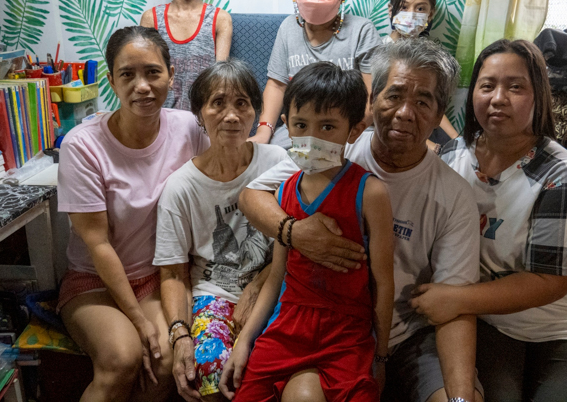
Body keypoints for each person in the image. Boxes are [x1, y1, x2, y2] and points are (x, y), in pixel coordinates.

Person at [239, 39, 484, 402]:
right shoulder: (327, 147)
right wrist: (295, 233)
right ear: (373, 101)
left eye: (422, 102)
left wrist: (460, 397)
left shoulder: (454, 195)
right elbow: (250, 197)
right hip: (318, 325)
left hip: (410, 334)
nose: (404, 112)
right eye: (394, 95)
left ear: (439, 114)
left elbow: (455, 305)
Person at [418, 39, 567, 401]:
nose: (498, 98)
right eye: (487, 85)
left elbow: (549, 282)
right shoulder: (452, 157)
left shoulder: (563, 175)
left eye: (515, 87)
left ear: (538, 96)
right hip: (493, 322)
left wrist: (456, 299)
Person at [219, 62, 394, 401]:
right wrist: (244, 343)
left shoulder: (371, 193)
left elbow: (383, 283)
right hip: (288, 325)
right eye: (301, 125)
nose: (312, 138)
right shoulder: (284, 191)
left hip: (348, 333)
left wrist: (381, 355)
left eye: (327, 126)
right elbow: (277, 277)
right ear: (287, 125)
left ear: (353, 131)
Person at [56, 26, 209, 401]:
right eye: (128, 74)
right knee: (122, 358)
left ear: (171, 76)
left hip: (159, 277)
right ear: (111, 81)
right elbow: (98, 244)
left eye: (153, 72)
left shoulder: (187, 127)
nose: (142, 85)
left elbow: (217, 180)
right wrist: (138, 320)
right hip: (95, 281)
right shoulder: (83, 145)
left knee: (164, 357)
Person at [153, 59, 288, 402]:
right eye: (217, 103)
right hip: (213, 294)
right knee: (210, 368)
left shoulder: (279, 164)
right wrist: (181, 335)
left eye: (242, 103)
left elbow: (296, 241)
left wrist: (259, 284)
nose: (231, 115)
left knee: (272, 365)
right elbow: (171, 272)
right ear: (199, 114)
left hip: (277, 284)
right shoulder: (180, 187)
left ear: (257, 112)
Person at [249, 0, 382, 148]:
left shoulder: (362, 30)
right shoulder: (287, 29)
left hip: (351, 132)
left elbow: (373, 96)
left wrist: (345, 134)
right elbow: (277, 85)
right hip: (299, 129)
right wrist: (264, 131)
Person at [141, 0, 232, 111]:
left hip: (203, 117)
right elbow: (145, 76)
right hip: (160, 118)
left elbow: (220, 80)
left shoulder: (220, 19)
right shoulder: (151, 19)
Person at [386, 0, 458, 151]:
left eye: (420, 9)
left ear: (430, 14)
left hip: (426, 124)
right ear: (391, 10)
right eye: (403, 7)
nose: (411, 15)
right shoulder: (381, 54)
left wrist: (457, 140)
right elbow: (386, 112)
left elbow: (434, 105)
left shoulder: (431, 55)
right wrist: (429, 146)